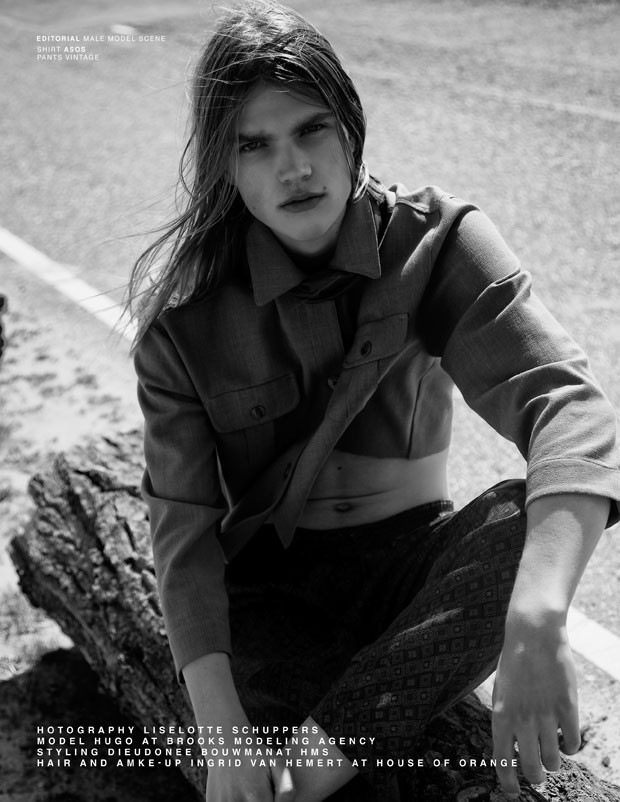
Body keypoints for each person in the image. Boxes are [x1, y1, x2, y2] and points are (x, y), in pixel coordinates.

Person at [128, 2, 620, 800]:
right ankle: (332, 758)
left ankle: (325, 759)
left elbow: (567, 404)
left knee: (517, 520)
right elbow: (182, 530)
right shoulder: (184, 319)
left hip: (409, 571)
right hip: (272, 595)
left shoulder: (437, 241)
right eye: (255, 144)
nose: (293, 167)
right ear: (225, 165)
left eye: (312, 129)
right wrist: (223, 735)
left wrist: (538, 615)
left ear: (351, 129)